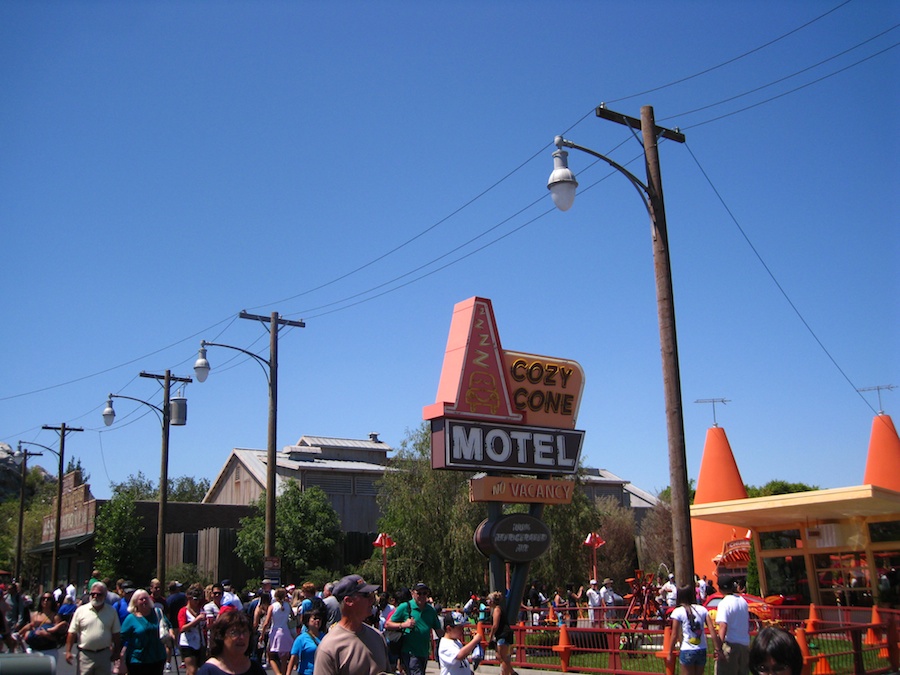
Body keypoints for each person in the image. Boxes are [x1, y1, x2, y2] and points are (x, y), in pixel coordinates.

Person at [312, 574, 387, 675]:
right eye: (366, 595)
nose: (372, 600)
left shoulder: (377, 637)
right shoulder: (329, 647)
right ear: (348, 601)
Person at [385, 581, 444, 675]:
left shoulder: (430, 610)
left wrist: (450, 638)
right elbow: (388, 624)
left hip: (424, 652)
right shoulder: (405, 607)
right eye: (419, 593)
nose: (422, 596)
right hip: (409, 652)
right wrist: (403, 625)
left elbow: (438, 630)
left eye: (425, 593)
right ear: (412, 593)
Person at [66, 581, 123, 675]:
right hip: (84, 655)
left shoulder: (111, 611)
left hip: (104, 655)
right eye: (93, 594)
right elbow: (72, 632)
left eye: (99, 594)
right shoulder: (80, 611)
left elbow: (116, 633)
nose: (95, 596)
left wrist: (117, 652)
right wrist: (68, 651)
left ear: (105, 596)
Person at [198, 610, 265, 675]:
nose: (242, 637)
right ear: (221, 636)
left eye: (245, 632)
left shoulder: (256, 669)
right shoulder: (208, 671)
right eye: (235, 632)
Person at [120, 589, 168, 675]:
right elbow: (122, 637)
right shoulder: (131, 618)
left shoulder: (157, 613)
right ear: (135, 602)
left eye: (146, 598)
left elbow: (168, 625)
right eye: (141, 599)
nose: (144, 601)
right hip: (137, 660)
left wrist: (171, 635)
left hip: (158, 657)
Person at [670, 585, 714, 675]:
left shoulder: (678, 611)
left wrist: (670, 652)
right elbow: (711, 629)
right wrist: (717, 648)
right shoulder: (702, 609)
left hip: (687, 649)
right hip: (701, 649)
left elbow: (674, 634)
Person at [712, 574, 750, 675]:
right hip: (745, 645)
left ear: (720, 588)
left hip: (730, 645)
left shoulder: (724, 603)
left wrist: (718, 648)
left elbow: (723, 626)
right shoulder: (743, 602)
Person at [260, 587, 294, 675]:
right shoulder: (288, 605)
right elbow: (293, 617)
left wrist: (262, 634)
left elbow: (266, 622)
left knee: (271, 656)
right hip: (285, 631)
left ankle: (278, 673)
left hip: (275, 632)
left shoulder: (272, 607)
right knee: (284, 658)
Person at [178, 584, 209, 675]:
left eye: (198, 599)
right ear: (189, 598)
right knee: (192, 670)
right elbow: (182, 628)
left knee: (199, 670)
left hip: (200, 642)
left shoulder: (201, 610)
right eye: (195, 599)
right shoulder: (184, 611)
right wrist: (197, 620)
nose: (197, 602)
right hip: (187, 643)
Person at [286, 607, 324, 675]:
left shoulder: (325, 637)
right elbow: (293, 658)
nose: (318, 620)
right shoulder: (301, 639)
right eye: (314, 619)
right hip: (306, 673)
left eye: (319, 619)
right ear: (307, 621)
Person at [486, 591, 514, 675]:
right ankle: (512, 673)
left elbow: (495, 625)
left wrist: (490, 635)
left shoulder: (497, 610)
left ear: (491, 601)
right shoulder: (496, 609)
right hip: (500, 635)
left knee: (503, 657)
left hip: (503, 635)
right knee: (499, 656)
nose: (487, 602)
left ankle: (506, 673)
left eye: (488, 600)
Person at [251, 591, 271, 665]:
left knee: (257, 651)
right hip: (270, 630)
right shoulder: (271, 608)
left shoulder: (259, 609)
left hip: (260, 631)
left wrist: (253, 631)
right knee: (268, 650)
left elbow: (255, 622)